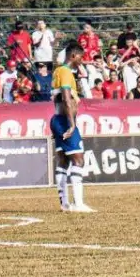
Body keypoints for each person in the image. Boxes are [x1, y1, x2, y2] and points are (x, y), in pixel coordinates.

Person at [51, 43, 92, 213]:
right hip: (65, 121)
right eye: (81, 57)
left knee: (63, 161)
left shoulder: (59, 71)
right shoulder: (66, 72)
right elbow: (66, 99)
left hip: (57, 119)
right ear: (73, 56)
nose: (82, 60)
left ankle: (65, 203)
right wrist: (72, 123)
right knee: (78, 160)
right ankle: (78, 204)